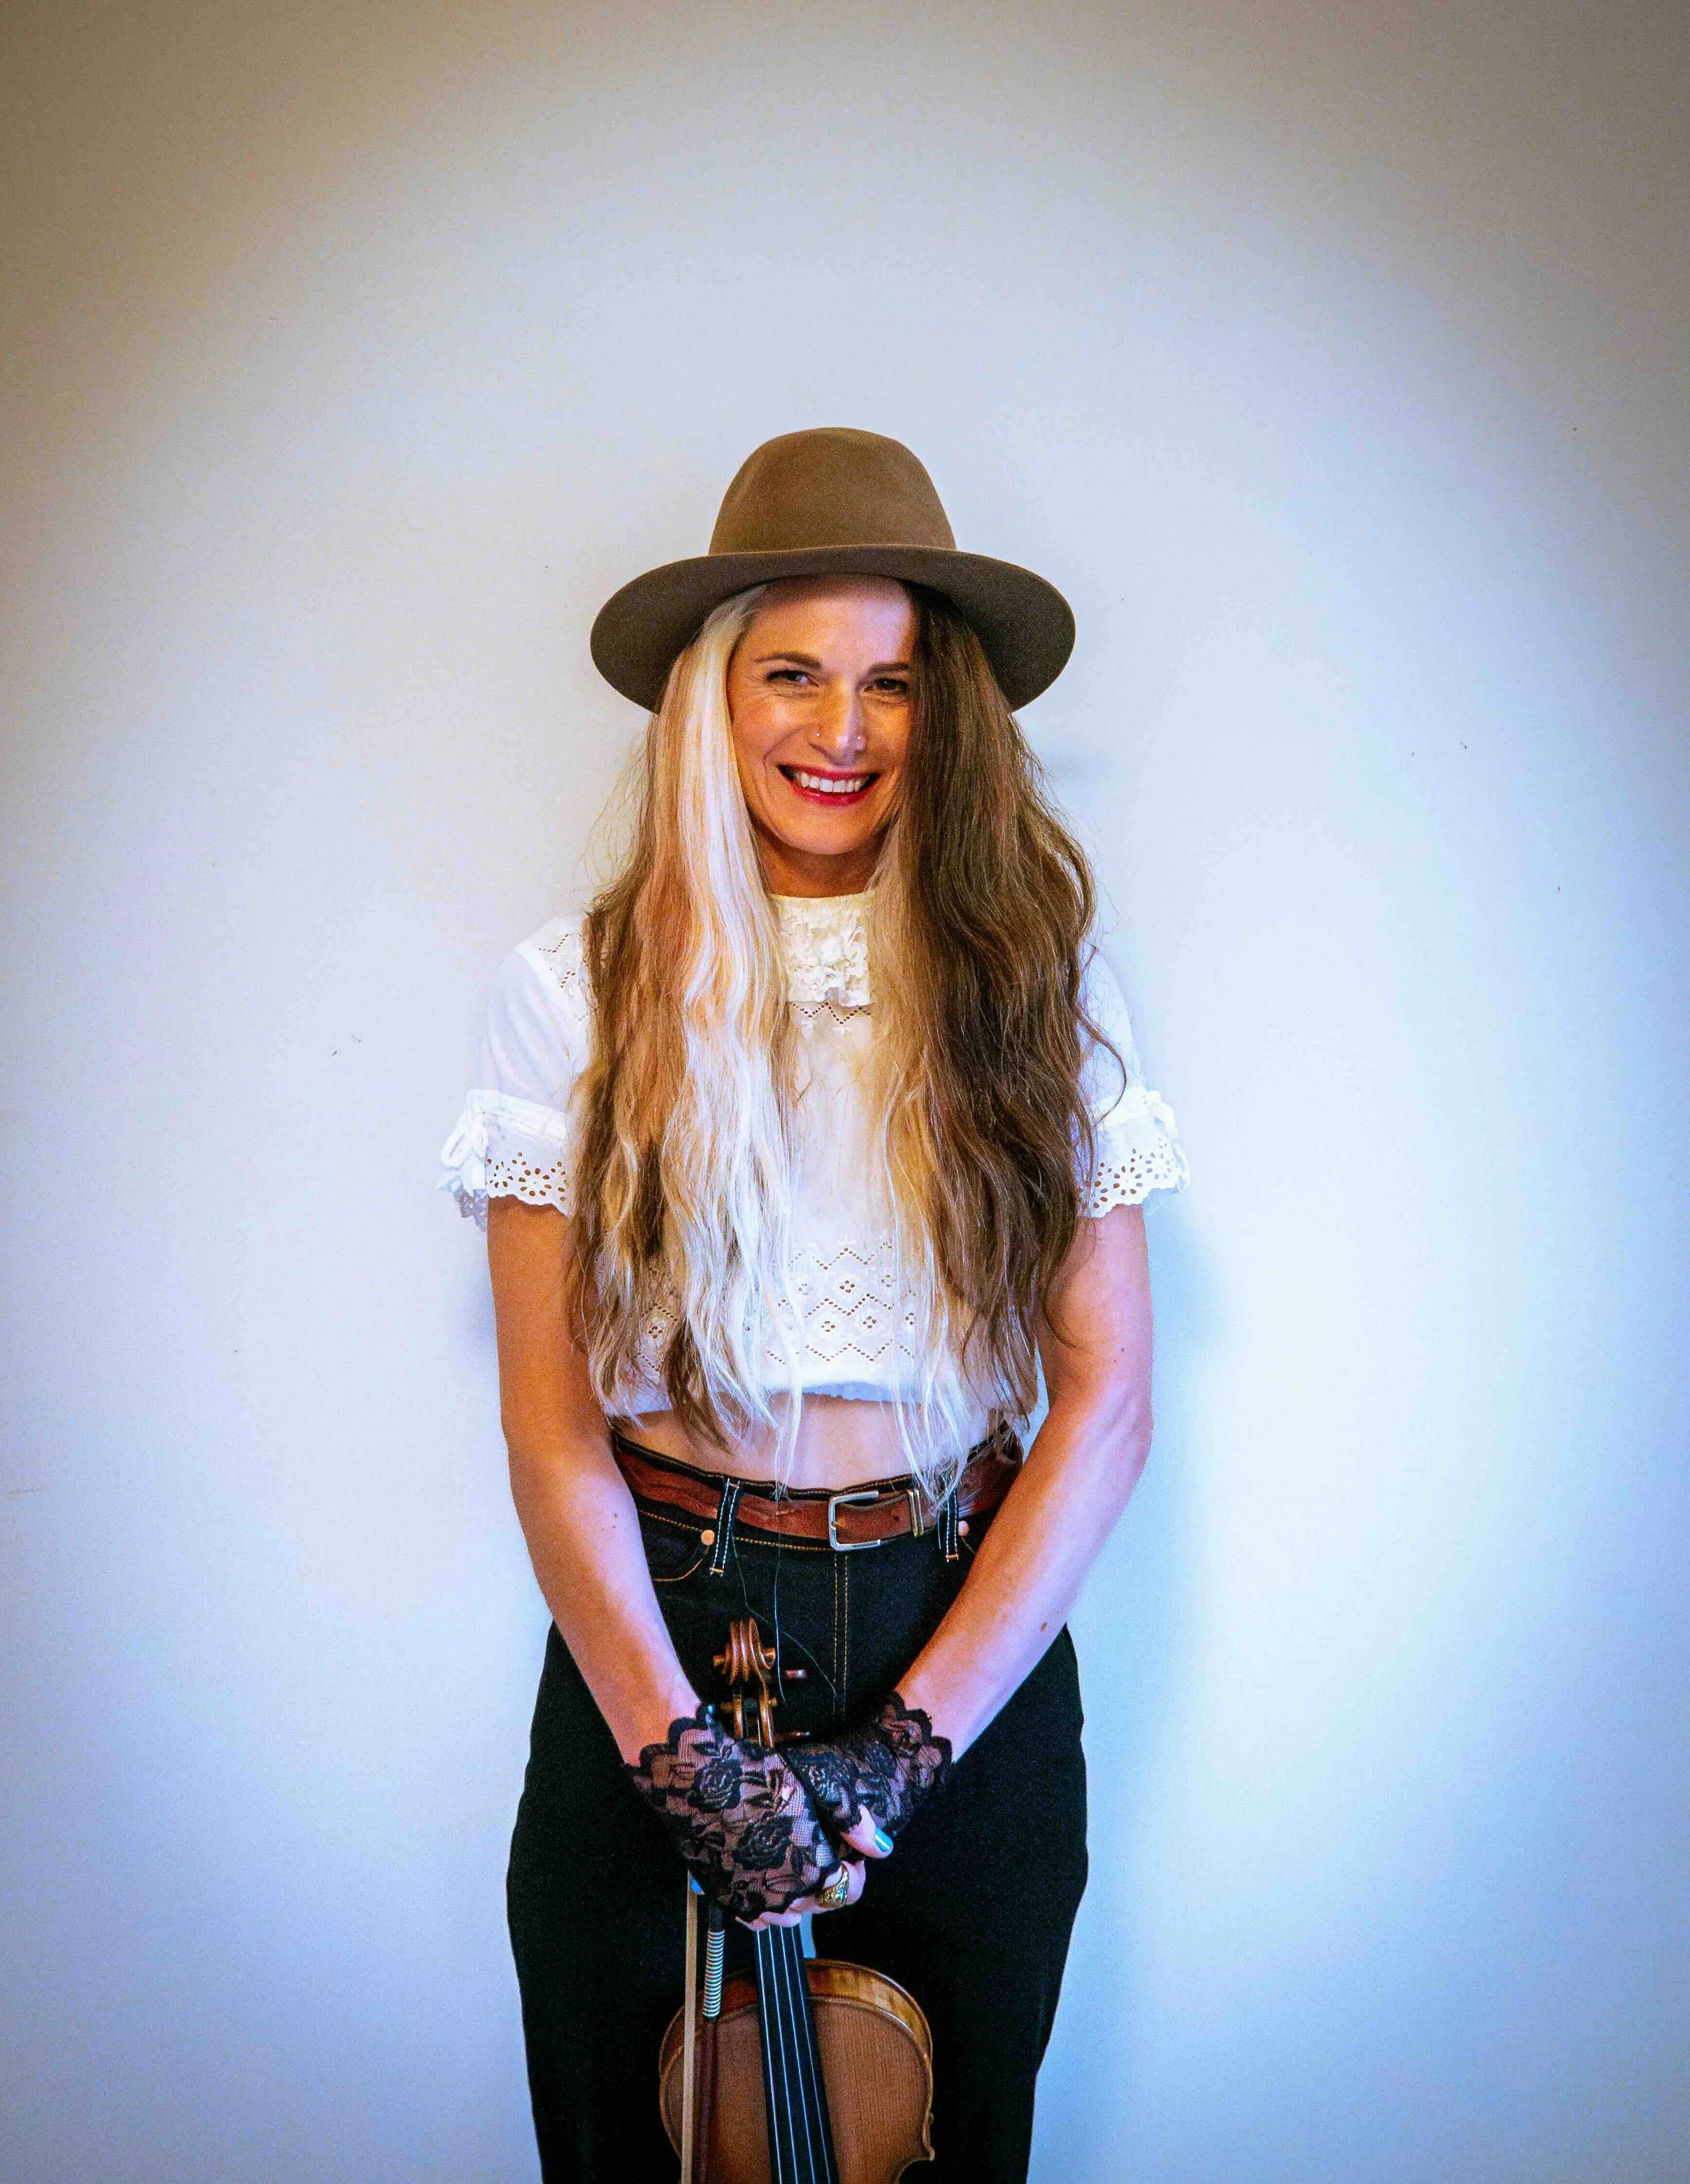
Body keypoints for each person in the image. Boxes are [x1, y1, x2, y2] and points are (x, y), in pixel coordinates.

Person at [439, 428, 1188, 2181]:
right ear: (713, 693)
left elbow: (1108, 1400)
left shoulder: (1042, 980)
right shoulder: (575, 990)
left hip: (961, 1621)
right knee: (635, 2147)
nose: (838, 729)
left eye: (890, 683)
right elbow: (552, 1434)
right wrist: (684, 1763)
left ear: (953, 717)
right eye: (790, 672)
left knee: (943, 2151)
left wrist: (903, 1757)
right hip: (663, 1626)